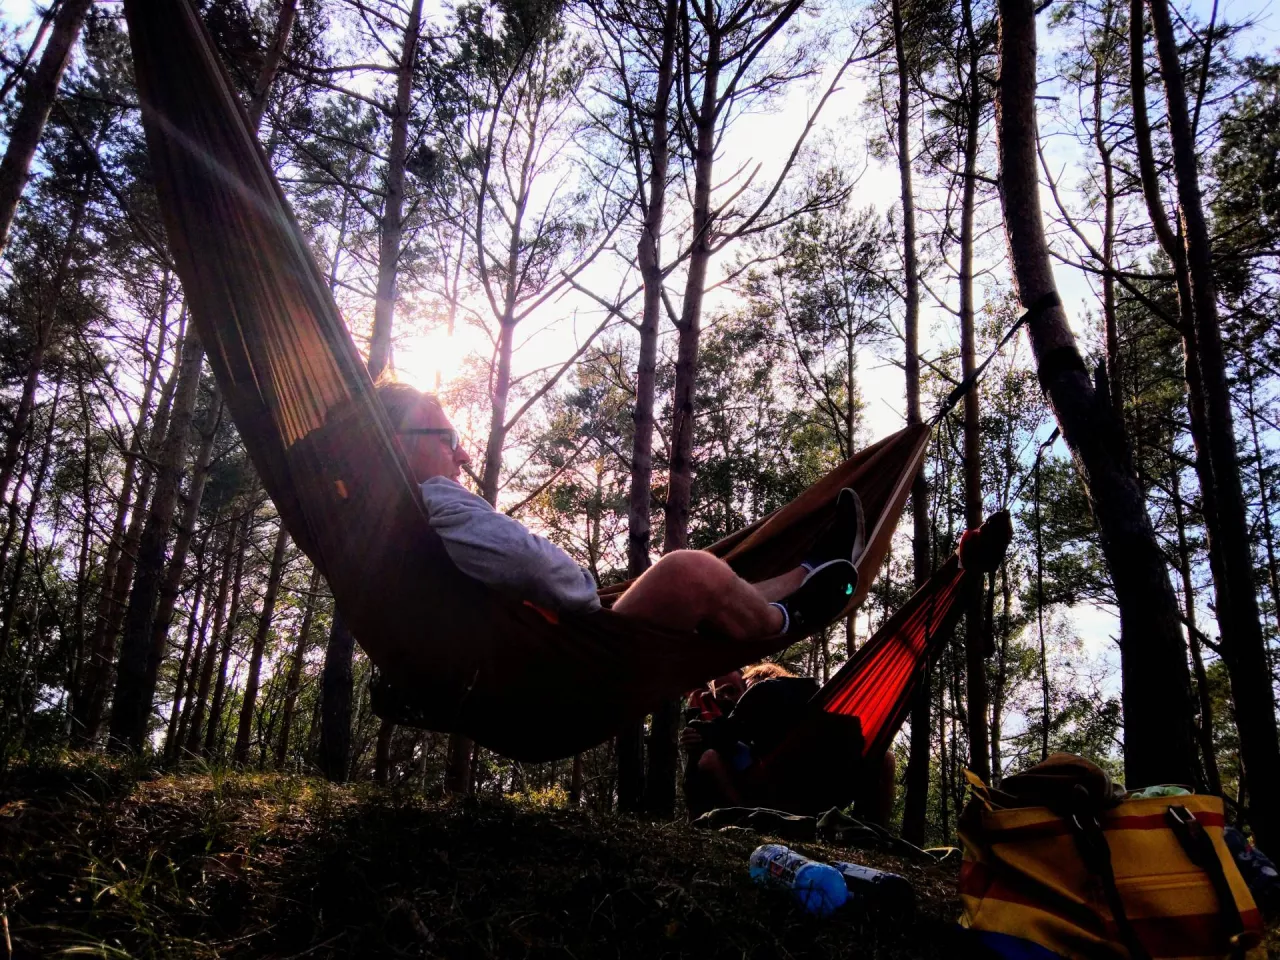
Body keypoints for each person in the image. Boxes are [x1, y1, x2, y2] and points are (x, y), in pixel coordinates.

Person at [375, 380, 866, 641]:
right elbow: (528, 563)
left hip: (530, 654)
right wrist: (585, 594)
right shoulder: (432, 498)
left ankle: (807, 573)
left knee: (706, 587)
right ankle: (785, 620)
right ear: (398, 444)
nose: (463, 454)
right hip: (560, 664)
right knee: (688, 572)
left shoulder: (389, 522)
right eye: (448, 438)